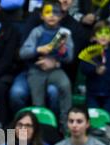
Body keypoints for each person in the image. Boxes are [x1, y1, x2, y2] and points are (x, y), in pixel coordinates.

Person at [19, 0, 74, 130]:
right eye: (48, 12)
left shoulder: (65, 33)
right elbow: (23, 53)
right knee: (38, 101)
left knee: (65, 86)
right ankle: (39, 129)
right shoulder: (36, 32)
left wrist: (63, 52)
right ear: (41, 15)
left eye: (56, 13)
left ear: (61, 15)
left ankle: (65, 125)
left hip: (55, 70)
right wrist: (38, 50)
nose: (52, 15)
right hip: (36, 70)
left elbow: (70, 58)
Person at [79, 21, 110, 115]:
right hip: (92, 93)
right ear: (94, 36)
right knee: (93, 116)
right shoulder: (90, 53)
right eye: (100, 33)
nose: (103, 36)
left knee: (107, 118)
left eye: (107, 33)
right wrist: (95, 70)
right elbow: (83, 69)